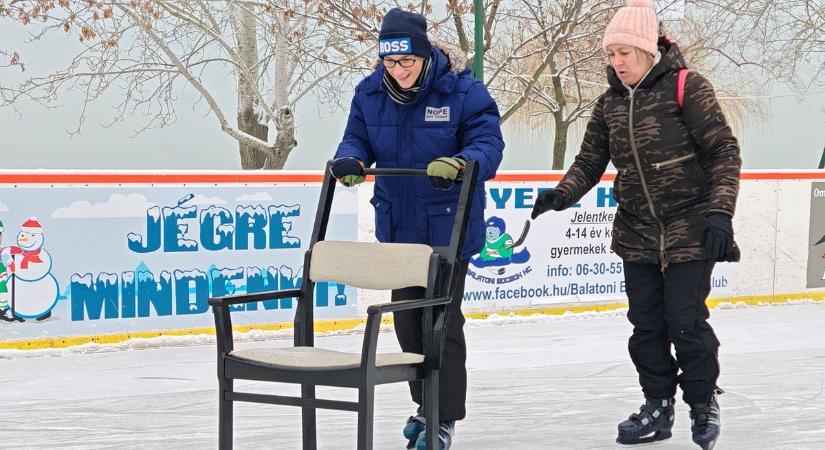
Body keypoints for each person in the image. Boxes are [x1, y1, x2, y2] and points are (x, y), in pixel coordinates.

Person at [530, 1, 740, 449]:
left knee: (685, 322)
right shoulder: (608, 104)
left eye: (625, 52)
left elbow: (724, 152)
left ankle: (702, 404)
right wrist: (563, 193)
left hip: (690, 227)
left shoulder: (687, 87)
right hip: (637, 231)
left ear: (648, 50)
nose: (617, 62)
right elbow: (590, 160)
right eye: (611, 54)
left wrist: (720, 212)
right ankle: (657, 406)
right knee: (645, 327)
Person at [330, 7, 504, 450]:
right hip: (400, 230)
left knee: (440, 324)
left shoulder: (463, 91)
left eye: (407, 62)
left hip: (449, 228)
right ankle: (425, 404)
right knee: (408, 324)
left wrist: (462, 163)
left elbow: (488, 143)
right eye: (390, 62)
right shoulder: (369, 93)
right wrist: (350, 158)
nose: (399, 71)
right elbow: (356, 138)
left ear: (425, 55)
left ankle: (443, 416)